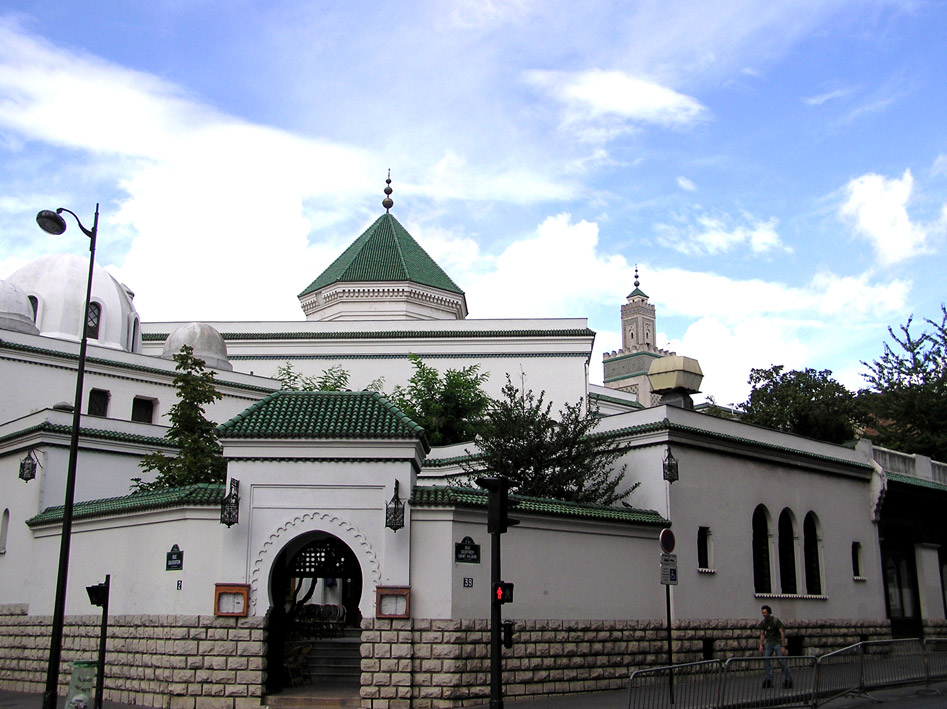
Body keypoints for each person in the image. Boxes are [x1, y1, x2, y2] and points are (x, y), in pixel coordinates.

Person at [759, 605, 792, 688]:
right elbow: (762, 634)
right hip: (769, 643)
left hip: (777, 642)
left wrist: (783, 646)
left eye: (765, 613)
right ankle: (769, 679)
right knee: (766, 660)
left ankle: (788, 679)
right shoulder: (763, 623)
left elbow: (782, 632)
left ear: (769, 613)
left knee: (781, 661)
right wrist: (761, 645)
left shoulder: (775, 621)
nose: (763, 614)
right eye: (762, 613)